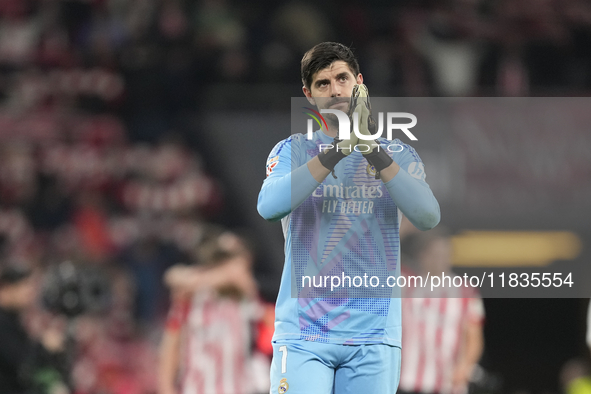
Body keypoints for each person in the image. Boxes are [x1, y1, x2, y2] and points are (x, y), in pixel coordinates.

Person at [257, 42, 440, 393]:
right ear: (309, 95)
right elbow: (269, 207)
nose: (335, 89)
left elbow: (427, 216)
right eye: (323, 83)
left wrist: (370, 149)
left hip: (374, 335)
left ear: (359, 83)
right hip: (303, 333)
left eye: (342, 78)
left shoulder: (398, 153)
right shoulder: (292, 150)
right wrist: (340, 149)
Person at [158, 231, 265, 394]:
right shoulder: (190, 297)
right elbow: (170, 347)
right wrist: (166, 389)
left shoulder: (244, 295)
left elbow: (241, 278)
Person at [398, 228, 484, 394]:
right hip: (407, 380)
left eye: (444, 253)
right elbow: (386, 256)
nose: (439, 259)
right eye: (433, 253)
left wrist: (465, 368)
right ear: (421, 255)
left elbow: (474, 336)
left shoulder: (466, 291)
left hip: (446, 383)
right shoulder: (406, 283)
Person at [0, 265, 68, 394]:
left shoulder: (12, 320)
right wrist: (44, 346)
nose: (30, 293)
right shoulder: (2, 323)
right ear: (5, 289)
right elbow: (21, 367)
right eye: (24, 286)